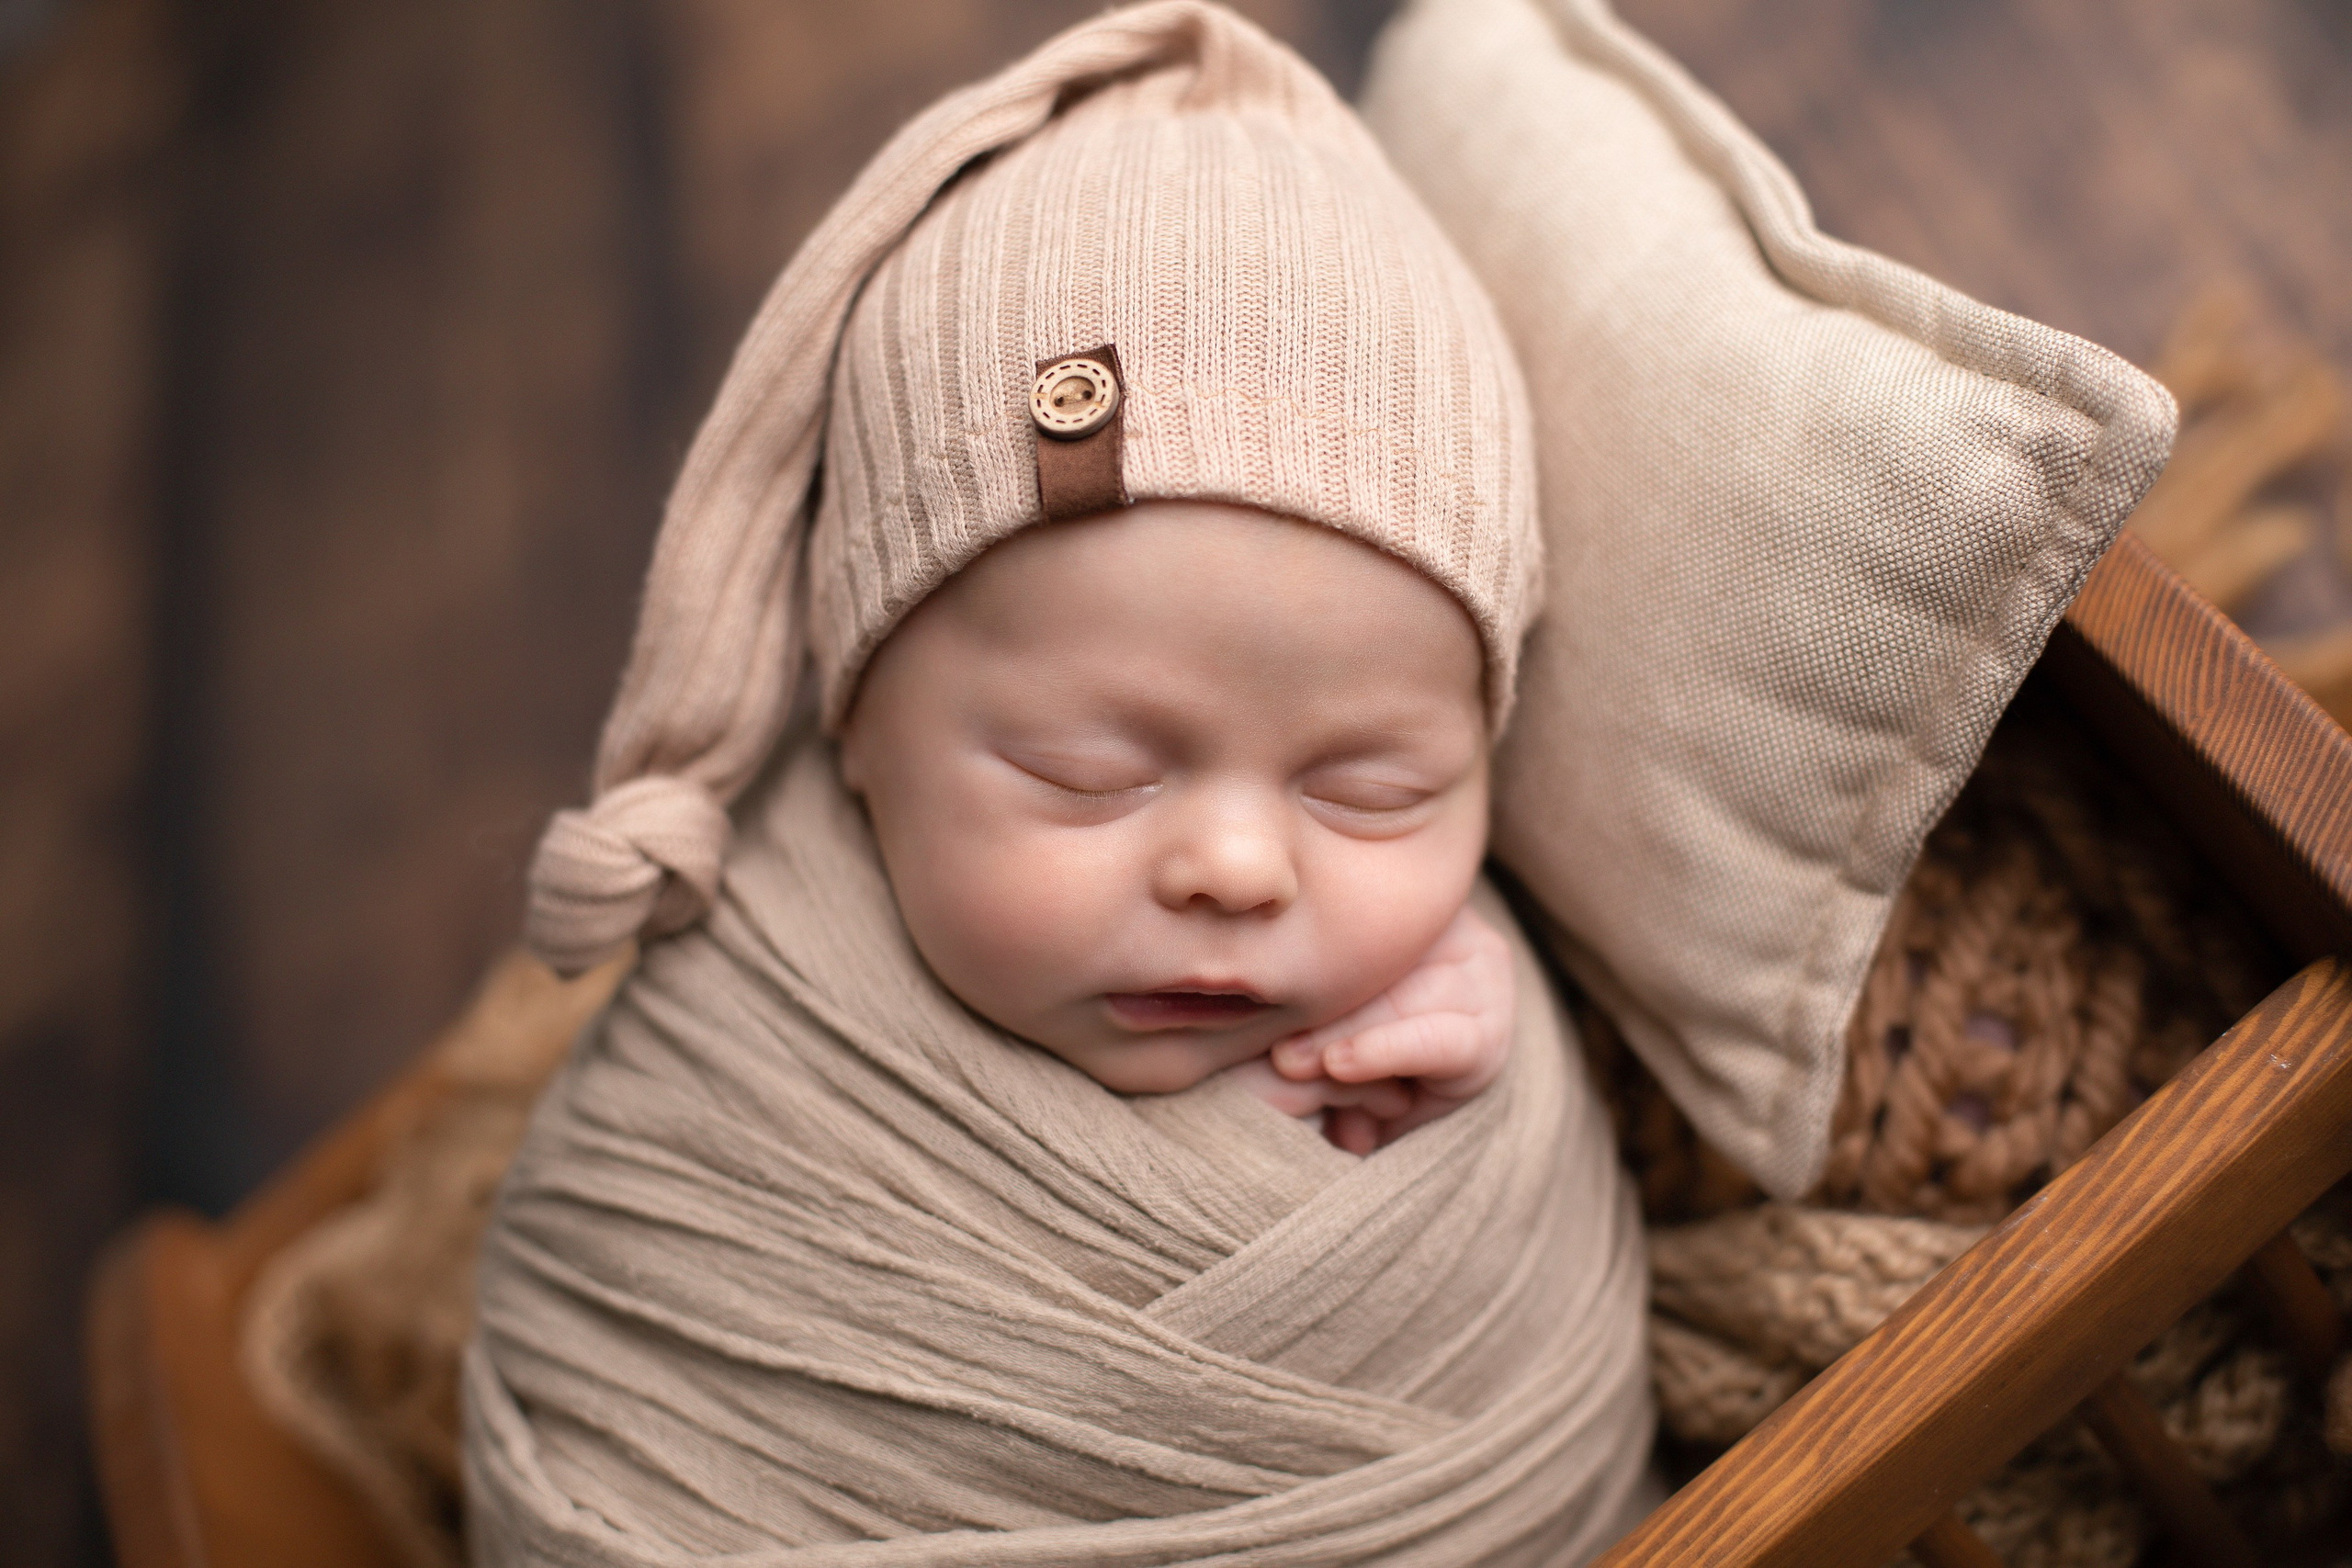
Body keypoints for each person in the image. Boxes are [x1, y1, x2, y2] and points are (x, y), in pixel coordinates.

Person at [467, 6, 1654, 1562]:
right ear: (856, 728)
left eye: (1374, 790)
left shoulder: (1430, 1000)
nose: (1239, 867)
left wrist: (1465, 1089)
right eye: (1087, 775)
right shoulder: (736, 1018)